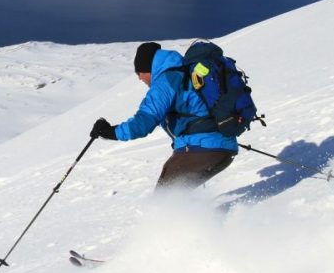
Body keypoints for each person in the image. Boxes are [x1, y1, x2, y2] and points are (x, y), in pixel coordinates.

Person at [90, 41, 237, 189]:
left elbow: (143, 122)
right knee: (176, 200)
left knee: (163, 202)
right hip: (222, 147)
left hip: (201, 149)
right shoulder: (183, 73)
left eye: (139, 73)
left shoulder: (165, 81)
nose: (139, 78)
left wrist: (111, 132)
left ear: (148, 69)